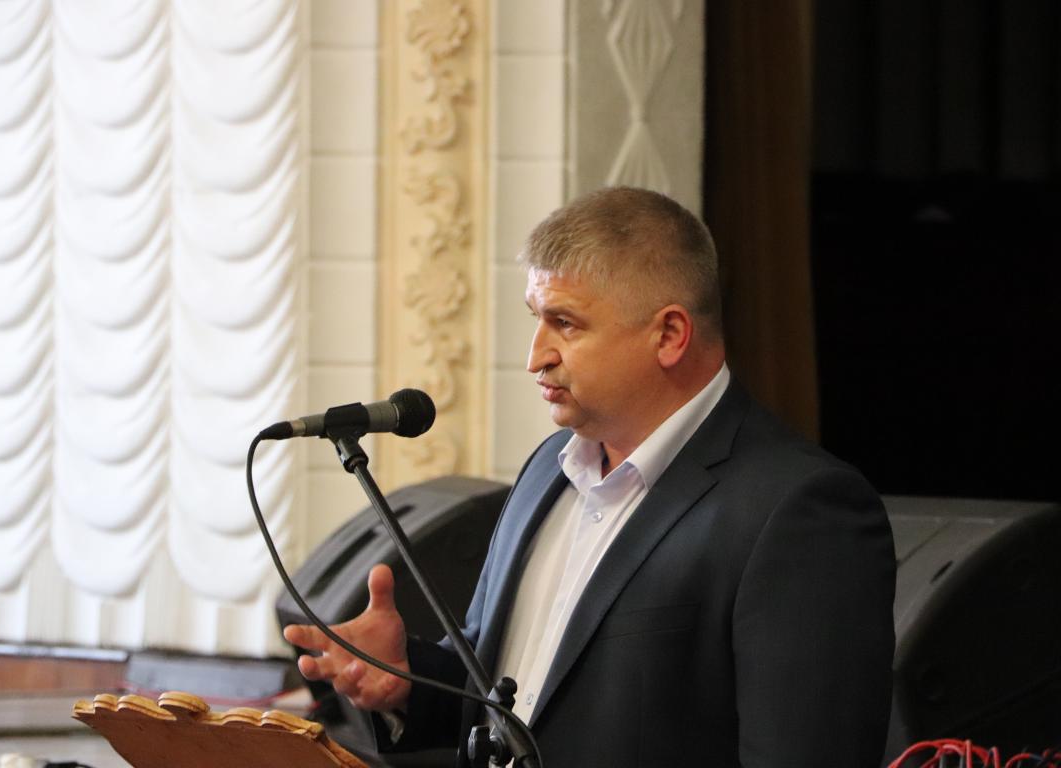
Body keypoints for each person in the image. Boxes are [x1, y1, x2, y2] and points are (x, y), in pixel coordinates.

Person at [284, 186, 896, 766]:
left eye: (566, 324)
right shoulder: (547, 469)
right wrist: (407, 680)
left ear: (669, 335)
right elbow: (506, 691)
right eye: (536, 318)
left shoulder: (798, 510)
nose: (536, 356)